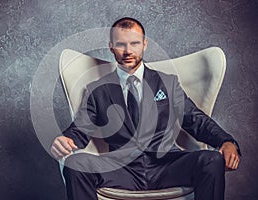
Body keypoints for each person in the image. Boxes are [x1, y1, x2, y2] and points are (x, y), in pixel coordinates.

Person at [51, 17, 240, 200]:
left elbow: (195, 119)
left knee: (212, 160)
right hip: (121, 169)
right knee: (76, 164)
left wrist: (225, 141)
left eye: (134, 43)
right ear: (111, 47)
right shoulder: (98, 90)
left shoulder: (168, 83)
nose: (128, 51)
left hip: (167, 165)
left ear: (144, 44)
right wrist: (66, 139)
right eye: (120, 44)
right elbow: (82, 128)